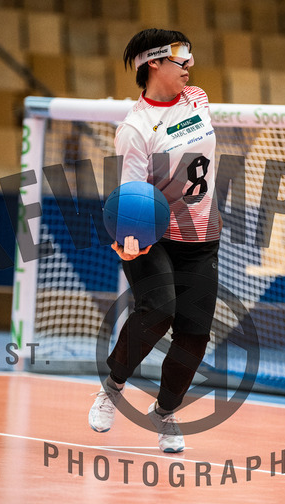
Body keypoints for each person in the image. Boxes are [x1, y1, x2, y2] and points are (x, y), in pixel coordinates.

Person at [89, 28, 222, 453]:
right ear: (154, 63)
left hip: (202, 234)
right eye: (181, 57)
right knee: (159, 309)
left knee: (195, 334)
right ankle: (112, 388)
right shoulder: (135, 129)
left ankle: (164, 413)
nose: (190, 65)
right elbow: (132, 196)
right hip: (155, 236)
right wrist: (129, 241)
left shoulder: (197, 99)